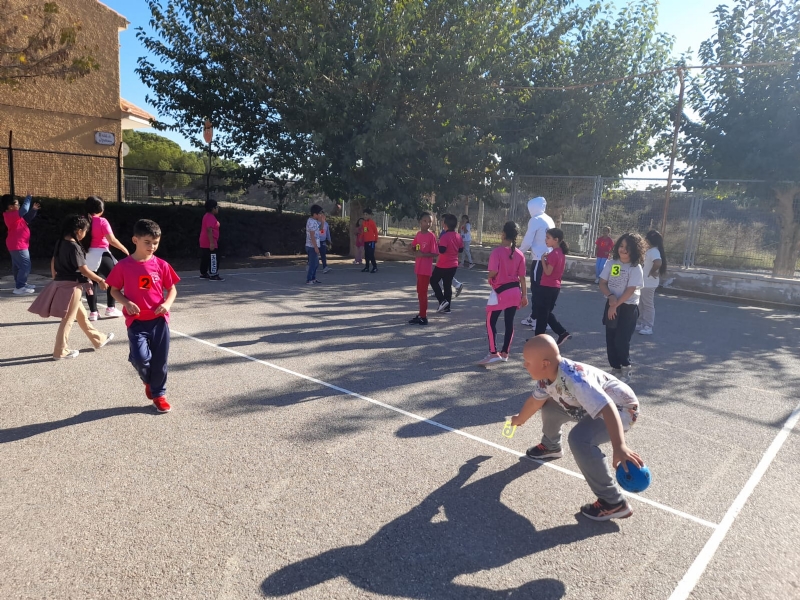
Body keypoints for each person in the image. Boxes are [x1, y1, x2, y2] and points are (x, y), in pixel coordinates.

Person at [510, 336, 643, 521]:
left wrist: (619, 446)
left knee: (580, 440)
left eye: (527, 362)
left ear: (544, 364)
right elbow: (534, 402)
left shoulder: (576, 379)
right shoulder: (546, 379)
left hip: (622, 410)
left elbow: (608, 407)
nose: (524, 365)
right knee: (548, 404)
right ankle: (551, 446)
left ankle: (613, 502)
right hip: (585, 405)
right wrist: (519, 418)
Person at [106, 219, 180, 413]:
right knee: (140, 359)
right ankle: (148, 380)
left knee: (160, 361)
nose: (152, 247)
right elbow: (114, 290)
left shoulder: (161, 265)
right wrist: (127, 303)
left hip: (159, 321)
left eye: (155, 243)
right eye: (147, 242)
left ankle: (159, 394)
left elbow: (172, 290)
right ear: (135, 240)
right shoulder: (123, 266)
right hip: (136, 321)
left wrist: (166, 304)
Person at [28, 214, 114, 359]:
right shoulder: (74, 247)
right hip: (72, 287)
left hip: (62, 284)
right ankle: (60, 351)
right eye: (85, 231)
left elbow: (53, 262)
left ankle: (98, 339)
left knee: (81, 316)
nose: (85, 234)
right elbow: (84, 269)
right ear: (79, 230)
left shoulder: (60, 242)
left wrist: (56, 279)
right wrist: (100, 280)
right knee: (68, 319)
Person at [478, 221, 527, 365]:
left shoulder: (497, 252)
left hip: (500, 292)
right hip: (515, 292)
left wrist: (489, 277)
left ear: (503, 234)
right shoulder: (519, 254)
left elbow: (493, 271)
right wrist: (524, 295)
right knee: (509, 322)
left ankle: (493, 352)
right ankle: (505, 353)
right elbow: (522, 277)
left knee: (490, 321)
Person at [598, 233, 645, 383]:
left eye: (628, 248)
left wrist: (615, 305)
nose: (623, 250)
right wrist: (611, 297)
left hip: (627, 308)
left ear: (635, 250)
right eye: (621, 246)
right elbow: (603, 283)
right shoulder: (613, 264)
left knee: (621, 340)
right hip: (612, 304)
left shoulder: (635, 268)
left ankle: (626, 369)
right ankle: (615, 369)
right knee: (610, 339)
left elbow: (630, 290)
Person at [83, 196, 130, 320]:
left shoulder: (83, 221)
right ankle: (111, 308)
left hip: (87, 255)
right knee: (114, 278)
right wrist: (123, 249)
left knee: (91, 282)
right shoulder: (102, 221)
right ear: (101, 209)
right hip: (101, 253)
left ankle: (93, 312)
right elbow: (112, 240)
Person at [518, 196, 555, 330]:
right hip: (550, 258)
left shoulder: (535, 219)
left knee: (536, 289)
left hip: (539, 260)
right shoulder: (548, 218)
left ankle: (538, 319)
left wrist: (518, 252)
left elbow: (528, 240)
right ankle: (537, 317)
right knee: (545, 290)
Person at [535, 228, 571, 345]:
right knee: (545, 313)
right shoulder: (560, 252)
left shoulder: (554, 254)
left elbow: (548, 272)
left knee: (542, 314)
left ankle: (539, 340)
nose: (546, 240)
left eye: (548, 238)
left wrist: (542, 260)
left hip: (547, 286)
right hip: (554, 287)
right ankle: (562, 332)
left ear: (556, 240)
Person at [2, 192, 40, 295]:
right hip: (18, 244)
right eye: (17, 204)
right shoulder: (10, 215)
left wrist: (34, 210)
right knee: (25, 265)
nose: (19, 206)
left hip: (17, 244)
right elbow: (24, 210)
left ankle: (21, 283)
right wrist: (29, 197)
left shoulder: (16, 216)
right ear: (10, 207)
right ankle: (20, 287)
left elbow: (27, 218)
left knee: (18, 266)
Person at [408, 212, 439, 325]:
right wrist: (412, 249)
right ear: (420, 222)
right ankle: (421, 314)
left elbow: (435, 253)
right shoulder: (418, 234)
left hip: (425, 269)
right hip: (418, 267)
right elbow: (415, 247)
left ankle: (423, 316)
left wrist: (423, 255)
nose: (428, 223)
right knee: (419, 292)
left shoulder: (431, 236)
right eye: (425, 221)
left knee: (423, 292)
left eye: (430, 221)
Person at [430, 214, 464, 313]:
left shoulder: (445, 237)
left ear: (445, 225)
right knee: (447, 285)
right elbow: (461, 249)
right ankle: (447, 308)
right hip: (453, 265)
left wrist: (437, 243)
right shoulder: (458, 236)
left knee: (433, 281)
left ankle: (442, 300)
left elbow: (442, 250)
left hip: (443, 264)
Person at [638, 230, 666, 336]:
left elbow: (658, 263)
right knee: (641, 304)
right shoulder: (651, 250)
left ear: (649, 240)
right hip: (644, 282)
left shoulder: (654, 251)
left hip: (649, 284)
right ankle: (641, 323)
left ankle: (648, 326)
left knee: (648, 304)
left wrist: (652, 271)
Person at [200, 199, 224, 281]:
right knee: (213, 257)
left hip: (204, 240)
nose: (217, 209)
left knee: (205, 257)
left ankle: (204, 273)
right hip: (209, 241)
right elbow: (209, 230)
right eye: (216, 207)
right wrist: (212, 243)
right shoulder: (210, 217)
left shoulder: (206, 215)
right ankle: (213, 274)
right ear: (212, 208)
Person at [305, 204, 324, 284]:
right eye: (319, 213)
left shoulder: (315, 221)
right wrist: (315, 247)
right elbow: (312, 236)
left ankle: (313, 278)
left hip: (315, 245)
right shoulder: (311, 222)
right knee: (313, 264)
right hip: (311, 246)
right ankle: (309, 279)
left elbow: (321, 230)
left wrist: (322, 222)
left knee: (316, 263)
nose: (320, 215)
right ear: (315, 214)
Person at [361, 208, 379, 273]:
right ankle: (367, 267)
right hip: (366, 241)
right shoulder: (364, 223)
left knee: (371, 254)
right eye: (364, 214)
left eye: (366, 214)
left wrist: (376, 239)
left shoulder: (372, 223)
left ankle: (375, 267)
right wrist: (361, 237)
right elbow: (364, 231)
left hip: (371, 241)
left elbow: (375, 231)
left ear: (369, 215)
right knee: (366, 254)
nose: (365, 216)